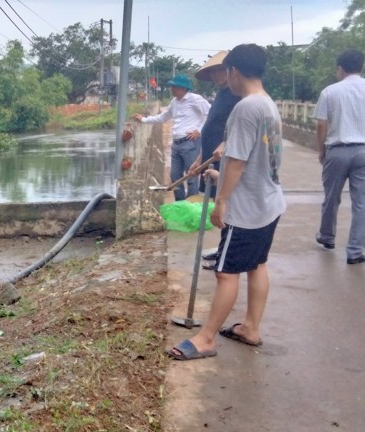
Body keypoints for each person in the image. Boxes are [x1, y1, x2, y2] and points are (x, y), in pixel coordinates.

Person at [167, 44, 286, 360]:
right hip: (268, 201)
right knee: (257, 265)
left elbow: (236, 162)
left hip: (248, 210)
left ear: (234, 71)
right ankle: (250, 327)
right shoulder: (267, 104)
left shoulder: (246, 108)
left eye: (226, 72)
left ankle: (206, 339)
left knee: (225, 272)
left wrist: (222, 201)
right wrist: (222, 175)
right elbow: (258, 158)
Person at [313, 49, 365, 265]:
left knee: (331, 197)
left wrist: (321, 149)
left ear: (340, 69)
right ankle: (355, 251)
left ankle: (327, 237)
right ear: (362, 67)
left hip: (337, 150)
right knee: (361, 204)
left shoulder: (329, 92)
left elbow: (321, 123)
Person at [189, 51, 242, 266]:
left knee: (226, 206)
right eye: (213, 71)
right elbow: (211, 129)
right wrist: (199, 159)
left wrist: (226, 145)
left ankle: (226, 254)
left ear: (231, 71)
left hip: (227, 159)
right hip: (212, 158)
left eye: (221, 70)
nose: (217, 75)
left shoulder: (238, 96)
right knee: (216, 204)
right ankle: (222, 249)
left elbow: (237, 130)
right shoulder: (220, 95)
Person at [133, 74, 210, 201]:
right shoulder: (174, 102)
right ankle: (180, 203)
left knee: (191, 176)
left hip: (190, 142)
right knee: (175, 176)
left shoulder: (195, 99)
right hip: (176, 144)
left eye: (174, 86)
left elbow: (209, 114)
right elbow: (163, 117)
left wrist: (199, 130)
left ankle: (191, 206)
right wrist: (144, 119)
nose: (171, 89)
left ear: (183, 88)